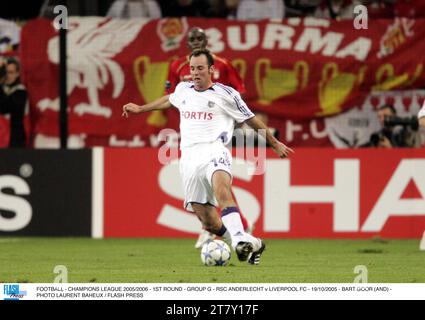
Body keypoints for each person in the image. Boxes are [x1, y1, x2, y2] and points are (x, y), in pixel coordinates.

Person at [123, 49, 293, 264]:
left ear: (211, 70)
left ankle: (240, 239)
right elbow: (169, 99)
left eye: (200, 68)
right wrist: (141, 108)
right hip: (189, 157)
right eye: (192, 68)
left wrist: (275, 143)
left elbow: (251, 119)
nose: (195, 73)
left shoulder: (227, 94)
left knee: (222, 190)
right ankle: (253, 243)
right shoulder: (183, 89)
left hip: (215, 149)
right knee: (208, 220)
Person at [167, 26, 250, 249]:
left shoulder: (222, 64)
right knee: (209, 189)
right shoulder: (177, 66)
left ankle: (227, 231)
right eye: (192, 39)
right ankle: (231, 229)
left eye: (199, 38)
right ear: (187, 43)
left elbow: (238, 92)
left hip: (217, 131)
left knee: (219, 184)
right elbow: (171, 96)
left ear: (205, 41)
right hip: (192, 131)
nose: (196, 42)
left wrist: (233, 118)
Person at [0, 57, 28, 148]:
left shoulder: (21, 91)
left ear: (17, 73)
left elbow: (5, 107)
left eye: (11, 72)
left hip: (14, 140)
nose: (8, 75)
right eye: (6, 72)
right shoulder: (3, 88)